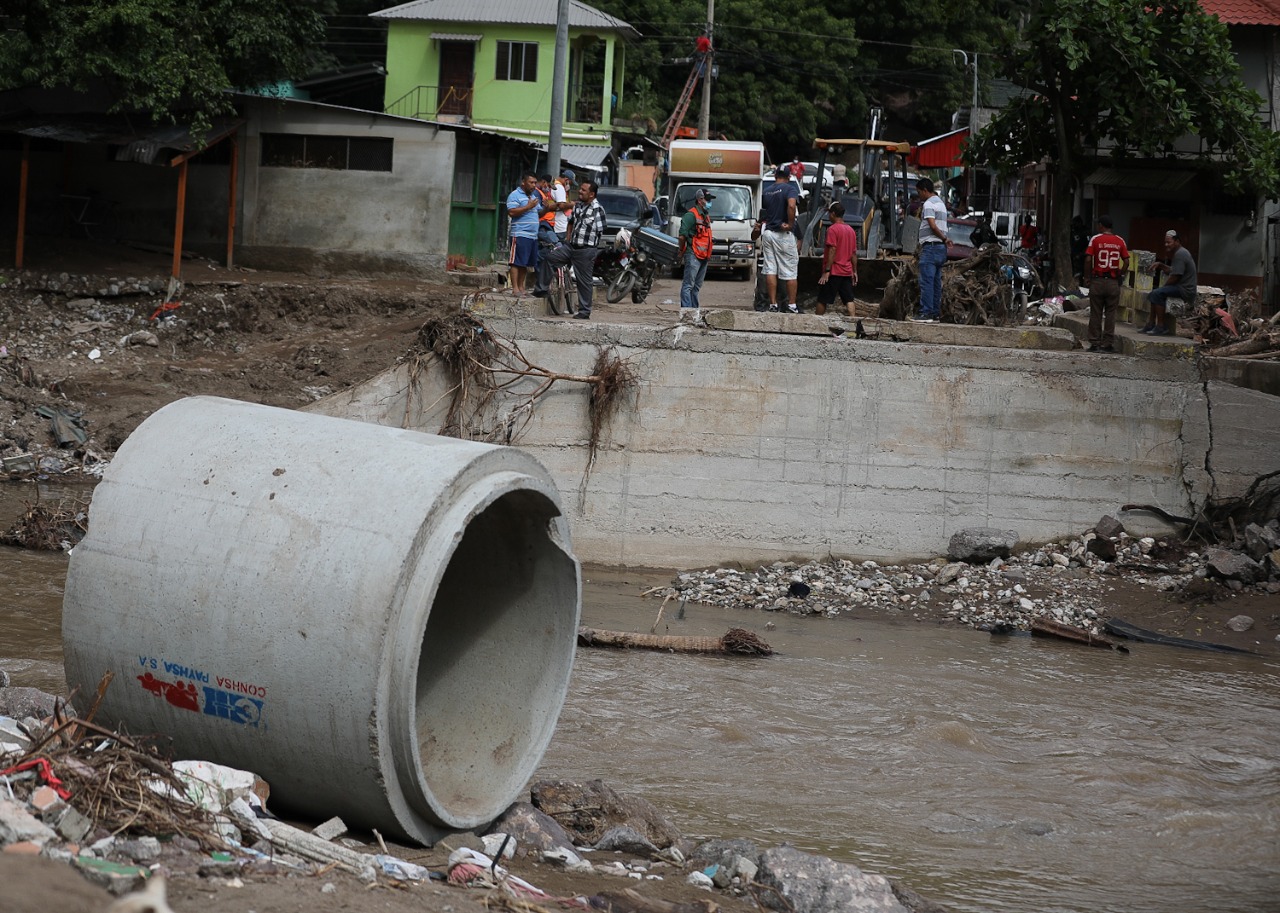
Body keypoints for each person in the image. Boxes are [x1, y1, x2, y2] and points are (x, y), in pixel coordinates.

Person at [541, 181, 607, 319]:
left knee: (584, 281)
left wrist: (591, 247)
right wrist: (568, 237)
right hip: (571, 246)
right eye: (580, 189)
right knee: (550, 258)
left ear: (592, 194)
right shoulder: (577, 206)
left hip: (586, 250)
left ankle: (584, 311)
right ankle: (541, 289)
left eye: (583, 190)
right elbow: (571, 222)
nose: (580, 192)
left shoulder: (598, 209)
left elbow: (601, 230)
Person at [1083, 214, 1130, 353]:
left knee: (1096, 313)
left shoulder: (1095, 239)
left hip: (1097, 280)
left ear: (1101, 225)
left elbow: (1087, 259)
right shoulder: (1120, 241)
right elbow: (1126, 261)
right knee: (1111, 313)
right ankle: (1108, 344)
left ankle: (1095, 343)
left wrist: (1087, 277)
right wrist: (1120, 273)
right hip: (1113, 282)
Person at [756, 166, 800, 312]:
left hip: (768, 233)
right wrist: (790, 224)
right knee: (790, 271)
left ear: (775, 175)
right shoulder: (789, 189)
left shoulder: (767, 191)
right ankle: (792, 305)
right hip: (782, 234)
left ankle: (773, 304)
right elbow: (792, 206)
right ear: (788, 177)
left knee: (770, 269)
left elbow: (764, 213)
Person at [1145, 229, 1197, 336]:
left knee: (1157, 293)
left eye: (1169, 242)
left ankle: (1160, 326)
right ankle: (1150, 324)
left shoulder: (1180, 254)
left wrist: (1163, 288)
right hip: (1181, 287)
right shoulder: (1180, 253)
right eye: (1165, 242)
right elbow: (1172, 270)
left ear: (1177, 241)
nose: (1166, 245)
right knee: (1154, 293)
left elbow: (1175, 276)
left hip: (1185, 289)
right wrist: (1160, 265)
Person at [532, 172, 573, 297]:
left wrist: (551, 206)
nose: (550, 189)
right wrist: (564, 205)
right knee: (556, 247)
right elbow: (538, 212)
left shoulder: (543, 194)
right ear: (544, 182)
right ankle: (542, 286)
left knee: (543, 255)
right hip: (542, 226)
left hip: (548, 225)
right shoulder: (536, 194)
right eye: (548, 186)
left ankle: (542, 284)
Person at [915, 177, 949, 321]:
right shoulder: (941, 203)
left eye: (919, 192)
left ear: (924, 190)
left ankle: (926, 312)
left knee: (927, 281)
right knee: (935, 282)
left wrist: (944, 238)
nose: (919, 196)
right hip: (940, 249)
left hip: (931, 246)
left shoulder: (928, 204)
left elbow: (932, 225)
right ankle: (935, 313)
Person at [816, 201, 858, 317]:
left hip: (834, 271)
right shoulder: (851, 230)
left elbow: (832, 250)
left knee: (822, 299)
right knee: (849, 300)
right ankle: (853, 324)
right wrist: (854, 271)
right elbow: (854, 253)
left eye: (829, 213)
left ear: (833, 214)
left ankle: (816, 323)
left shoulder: (833, 229)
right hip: (846, 271)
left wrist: (827, 271)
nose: (828, 216)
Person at [678, 188, 714, 310]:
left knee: (696, 287)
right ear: (700, 200)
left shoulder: (706, 216)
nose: (710, 203)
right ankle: (687, 313)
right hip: (693, 254)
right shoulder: (691, 215)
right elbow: (682, 235)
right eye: (707, 200)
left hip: (704, 256)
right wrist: (681, 250)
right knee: (688, 285)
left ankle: (694, 313)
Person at [505, 172, 541, 295]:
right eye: (531, 182)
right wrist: (528, 207)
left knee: (525, 263)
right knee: (516, 261)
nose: (534, 185)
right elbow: (512, 212)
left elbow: (538, 212)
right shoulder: (514, 195)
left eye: (535, 183)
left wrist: (546, 207)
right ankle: (515, 288)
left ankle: (521, 287)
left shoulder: (533, 197)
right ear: (523, 182)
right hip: (520, 234)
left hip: (532, 235)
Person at [1070, 215, 1088, 282]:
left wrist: (1080, 255)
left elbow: (1088, 246)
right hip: (1073, 256)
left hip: (1081, 258)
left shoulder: (1085, 232)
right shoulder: (1072, 231)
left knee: (1079, 275)